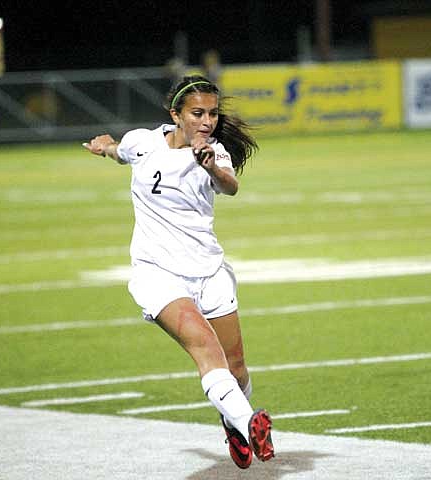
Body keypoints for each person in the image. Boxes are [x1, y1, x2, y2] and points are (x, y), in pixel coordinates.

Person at [83, 75, 274, 469]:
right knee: (206, 350)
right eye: (198, 113)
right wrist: (105, 147)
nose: (207, 122)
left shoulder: (215, 154)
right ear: (176, 114)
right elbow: (123, 152)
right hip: (158, 274)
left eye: (213, 114)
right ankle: (250, 422)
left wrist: (210, 167)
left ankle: (234, 423)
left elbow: (231, 185)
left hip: (209, 271)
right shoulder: (144, 142)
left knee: (236, 368)